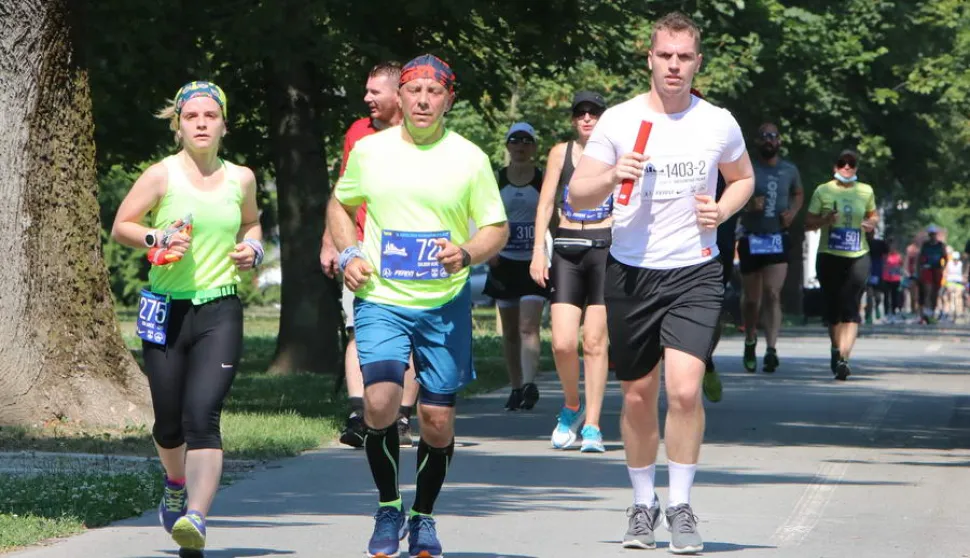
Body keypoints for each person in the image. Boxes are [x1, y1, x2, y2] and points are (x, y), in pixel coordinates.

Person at [569, 12, 755, 553]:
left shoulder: (717, 121)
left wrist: (720, 210)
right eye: (665, 55)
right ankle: (641, 504)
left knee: (684, 390)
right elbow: (578, 194)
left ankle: (681, 506)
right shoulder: (620, 121)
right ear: (649, 58)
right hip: (630, 271)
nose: (674, 65)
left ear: (698, 61)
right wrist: (611, 174)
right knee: (635, 397)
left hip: (695, 271)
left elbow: (742, 179)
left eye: (684, 57)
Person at [327, 54, 508, 558]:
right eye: (414, 90)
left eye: (434, 91)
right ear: (400, 97)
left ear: (449, 99)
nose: (423, 99)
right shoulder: (370, 151)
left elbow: (496, 227)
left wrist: (468, 252)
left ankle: (424, 516)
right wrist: (348, 253)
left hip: (443, 305)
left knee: (435, 420)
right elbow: (341, 204)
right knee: (380, 402)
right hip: (382, 297)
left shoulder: (469, 158)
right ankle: (389, 506)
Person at [111, 81, 263, 554]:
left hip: (220, 309)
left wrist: (253, 247)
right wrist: (156, 240)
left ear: (223, 124)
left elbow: (252, 222)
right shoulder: (161, 175)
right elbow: (122, 226)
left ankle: (195, 516)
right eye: (191, 116)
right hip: (165, 310)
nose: (201, 123)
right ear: (178, 125)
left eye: (209, 116)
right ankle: (175, 484)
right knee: (169, 423)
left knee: (203, 417)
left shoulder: (242, 178)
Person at [319, 62, 420, 448]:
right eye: (366, 92)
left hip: (407, 249)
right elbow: (342, 193)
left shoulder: (418, 136)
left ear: (398, 95)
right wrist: (331, 242)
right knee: (358, 330)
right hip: (359, 247)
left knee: (407, 334)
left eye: (374, 92)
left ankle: (402, 417)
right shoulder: (357, 134)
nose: (367, 99)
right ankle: (359, 413)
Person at [530, 91, 612, 452]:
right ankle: (572, 405)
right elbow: (546, 201)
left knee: (594, 342)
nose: (587, 119)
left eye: (594, 113)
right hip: (566, 249)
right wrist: (537, 251)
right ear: (573, 120)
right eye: (581, 113)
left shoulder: (618, 154)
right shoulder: (560, 154)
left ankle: (592, 424)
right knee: (563, 342)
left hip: (606, 249)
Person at [485, 122, 549, 411]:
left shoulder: (542, 179)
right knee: (510, 331)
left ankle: (529, 384)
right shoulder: (496, 179)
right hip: (504, 262)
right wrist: (489, 250)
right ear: (508, 146)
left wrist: (555, 253)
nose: (520, 146)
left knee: (528, 326)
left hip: (534, 263)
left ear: (534, 147)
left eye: (526, 141)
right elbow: (484, 216)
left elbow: (555, 218)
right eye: (515, 141)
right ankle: (514, 386)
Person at [804, 149, 878, 380]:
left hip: (858, 254)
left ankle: (844, 359)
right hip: (830, 254)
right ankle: (836, 348)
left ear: (856, 168)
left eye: (851, 164)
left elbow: (873, 215)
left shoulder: (865, 190)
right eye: (842, 163)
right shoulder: (823, 190)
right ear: (835, 167)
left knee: (851, 307)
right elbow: (807, 223)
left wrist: (870, 223)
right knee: (834, 309)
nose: (847, 167)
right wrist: (826, 220)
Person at [737, 123, 803, 373]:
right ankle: (750, 338)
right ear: (756, 142)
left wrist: (793, 212)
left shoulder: (789, 170)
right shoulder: (748, 168)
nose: (768, 140)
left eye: (773, 136)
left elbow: (798, 193)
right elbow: (731, 196)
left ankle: (771, 349)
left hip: (777, 236)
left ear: (779, 142)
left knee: (773, 293)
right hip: (751, 237)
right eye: (763, 136)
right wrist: (748, 206)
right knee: (753, 299)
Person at [918, 225, 948, 324]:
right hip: (927, 269)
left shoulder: (940, 245)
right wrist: (920, 268)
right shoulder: (925, 245)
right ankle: (927, 311)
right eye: (930, 234)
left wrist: (943, 267)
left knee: (935, 292)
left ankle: (932, 311)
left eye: (934, 234)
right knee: (928, 290)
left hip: (937, 270)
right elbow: (920, 258)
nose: (932, 236)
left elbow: (945, 257)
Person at [865, 233, 889, 324]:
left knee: (878, 296)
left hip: (877, 272)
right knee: (869, 295)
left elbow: (886, 251)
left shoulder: (879, 243)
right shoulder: (863, 243)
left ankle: (877, 306)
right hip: (867, 271)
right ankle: (869, 315)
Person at [881, 237, 904, 321]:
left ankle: (894, 313)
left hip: (895, 279)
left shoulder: (898, 256)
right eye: (890, 246)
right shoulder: (884, 256)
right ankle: (886, 313)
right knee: (886, 296)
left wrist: (901, 274)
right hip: (886, 278)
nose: (892, 247)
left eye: (893, 246)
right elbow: (882, 266)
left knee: (895, 296)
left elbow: (901, 266)